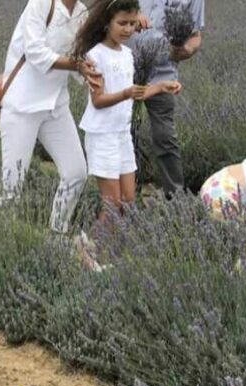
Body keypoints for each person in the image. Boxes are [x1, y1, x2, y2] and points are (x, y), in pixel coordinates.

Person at [72, 0, 181, 270]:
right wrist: (124, 94)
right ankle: (87, 254)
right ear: (107, 22)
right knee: (113, 205)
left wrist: (162, 87)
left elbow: (137, 92)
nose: (128, 29)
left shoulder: (126, 55)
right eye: (122, 23)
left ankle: (107, 252)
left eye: (133, 24)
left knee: (129, 203)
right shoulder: (95, 56)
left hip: (121, 135)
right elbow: (98, 101)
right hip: (102, 135)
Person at [0, 0, 100, 236]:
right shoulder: (41, 4)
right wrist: (78, 65)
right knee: (12, 185)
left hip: (55, 106)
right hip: (22, 106)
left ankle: (57, 235)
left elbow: (80, 55)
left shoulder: (81, 12)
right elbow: (35, 53)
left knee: (76, 172)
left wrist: (91, 75)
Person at [131, 0, 205, 198]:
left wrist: (187, 49)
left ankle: (176, 200)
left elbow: (195, 36)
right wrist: (132, 14)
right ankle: (127, 195)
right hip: (124, 65)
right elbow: (111, 9)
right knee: (124, 132)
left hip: (163, 73)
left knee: (165, 137)